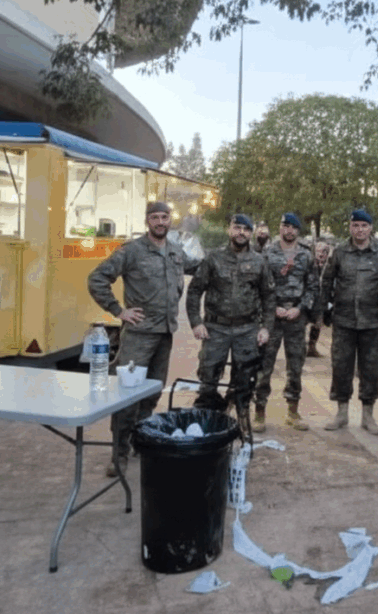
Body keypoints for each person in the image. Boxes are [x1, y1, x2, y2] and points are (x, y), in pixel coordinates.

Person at [87, 201, 200, 475]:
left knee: (151, 393)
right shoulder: (132, 251)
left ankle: (141, 440)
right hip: (139, 335)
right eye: (155, 218)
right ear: (147, 221)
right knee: (127, 396)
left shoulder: (175, 252)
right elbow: (97, 278)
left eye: (164, 217)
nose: (161, 222)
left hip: (164, 333)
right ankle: (119, 455)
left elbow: (199, 266)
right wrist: (119, 311)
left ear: (169, 219)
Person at [186, 214, 276, 430]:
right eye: (237, 228)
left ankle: (242, 418)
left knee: (245, 378)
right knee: (208, 376)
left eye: (246, 229)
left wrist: (266, 327)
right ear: (229, 230)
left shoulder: (259, 261)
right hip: (215, 328)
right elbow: (194, 291)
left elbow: (269, 297)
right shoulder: (213, 259)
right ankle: (207, 419)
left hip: (247, 329)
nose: (241, 233)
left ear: (251, 233)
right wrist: (196, 322)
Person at [320, 209, 378, 434]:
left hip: (373, 321)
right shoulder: (339, 252)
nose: (359, 230)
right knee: (341, 366)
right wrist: (325, 310)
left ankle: (368, 416)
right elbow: (327, 281)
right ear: (350, 227)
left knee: (371, 369)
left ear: (371, 228)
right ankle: (341, 413)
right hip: (344, 320)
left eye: (364, 225)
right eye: (355, 225)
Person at [253, 212, 318, 432]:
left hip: (295, 318)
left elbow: (312, 287)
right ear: (279, 228)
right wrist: (272, 309)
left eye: (293, 227)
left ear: (298, 231)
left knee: (295, 366)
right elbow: (258, 286)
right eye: (285, 226)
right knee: (264, 365)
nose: (288, 231)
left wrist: (299, 309)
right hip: (272, 316)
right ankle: (259, 412)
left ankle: (293, 411)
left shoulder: (306, 255)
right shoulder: (267, 253)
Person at [306, 240, 332, 357]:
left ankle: (312, 347)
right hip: (308, 299)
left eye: (324, 252)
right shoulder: (308, 264)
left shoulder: (330, 267)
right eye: (318, 251)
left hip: (321, 300)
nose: (321, 254)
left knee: (318, 323)